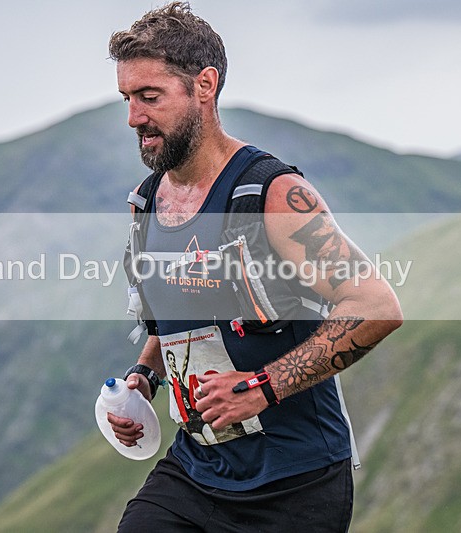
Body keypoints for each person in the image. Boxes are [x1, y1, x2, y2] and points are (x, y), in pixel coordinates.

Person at [106, 3, 403, 531]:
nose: (134, 117)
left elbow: (377, 306)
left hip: (296, 483)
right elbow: (179, 320)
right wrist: (143, 379)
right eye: (128, 99)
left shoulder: (272, 194)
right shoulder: (145, 204)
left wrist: (262, 386)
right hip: (196, 470)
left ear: (205, 85)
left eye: (150, 97)